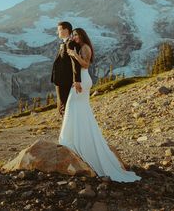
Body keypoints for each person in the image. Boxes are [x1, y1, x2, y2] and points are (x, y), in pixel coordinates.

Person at [59, 27, 141, 183]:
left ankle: (78, 142)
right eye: (73, 35)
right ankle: (75, 140)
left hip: (84, 81)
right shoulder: (79, 46)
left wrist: (75, 55)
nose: (75, 37)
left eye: (77, 34)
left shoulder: (85, 48)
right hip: (81, 80)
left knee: (74, 107)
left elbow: (85, 65)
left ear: (82, 35)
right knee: (77, 109)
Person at [51, 21, 82, 117]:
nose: (58, 32)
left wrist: (76, 80)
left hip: (64, 80)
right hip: (61, 80)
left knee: (63, 106)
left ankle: (67, 129)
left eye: (59, 30)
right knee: (62, 106)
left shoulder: (70, 44)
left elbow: (75, 62)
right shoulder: (65, 43)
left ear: (66, 30)